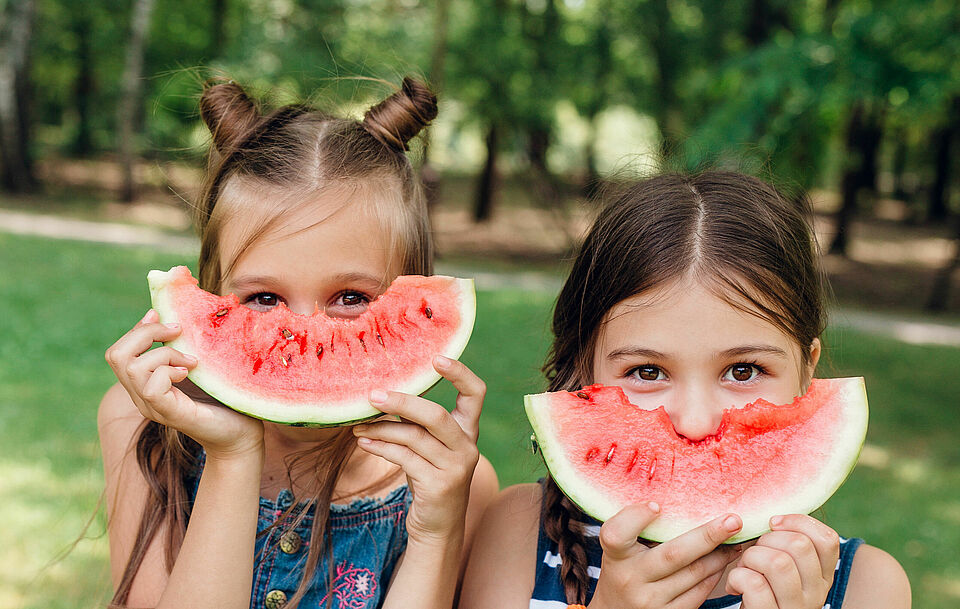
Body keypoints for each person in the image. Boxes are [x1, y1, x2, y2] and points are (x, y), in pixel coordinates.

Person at [100, 76, 499, 609]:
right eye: (263, 299)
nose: (302, 336)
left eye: (352, 298)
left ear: (414, 290)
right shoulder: (139, 430)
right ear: (212, 290)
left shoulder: (453, 481)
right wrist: (232, 455)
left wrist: (435, 533)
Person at [459, 171, 910, 609]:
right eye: (648, 372)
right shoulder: (515, 535)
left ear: (806, 374)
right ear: (584, 370)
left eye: (744, 370)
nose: (695, 421)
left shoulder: (867, 588)